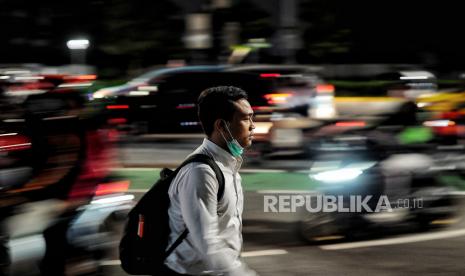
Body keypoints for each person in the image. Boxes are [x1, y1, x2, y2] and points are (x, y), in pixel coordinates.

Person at [163, 86, 258, 276]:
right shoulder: (200, 172)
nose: (253, 125)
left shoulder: (228, 166)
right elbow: (207, 242)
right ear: (221, 126)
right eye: (246, 118)